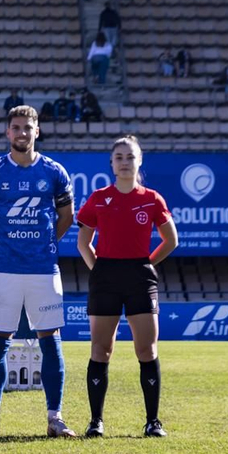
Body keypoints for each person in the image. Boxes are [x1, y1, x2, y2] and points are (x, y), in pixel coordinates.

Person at [0, 105, 76, 439]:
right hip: (4, 270)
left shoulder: (55, 172)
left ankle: (55, 417)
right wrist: (5, 243)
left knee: (50, 341)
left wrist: (44, 243)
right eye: (16, 127)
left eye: (28, 128)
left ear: (37, 131)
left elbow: (66, 217)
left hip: (43, 270)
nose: (21, 133)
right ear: (7, 132)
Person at [77, 136, 177, 438]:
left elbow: (171, 240)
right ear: (111, 163)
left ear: (139, 161)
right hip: (105, 274)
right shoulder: (98, 197)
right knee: (101, 349)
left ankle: (153, 421)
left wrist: (146, 264)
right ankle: (96, 421)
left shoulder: (152, 198)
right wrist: (100, 269)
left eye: (130, 157)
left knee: (146, 349)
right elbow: (83, 243)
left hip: (140, 276)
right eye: (119, 157)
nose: (124, 162)